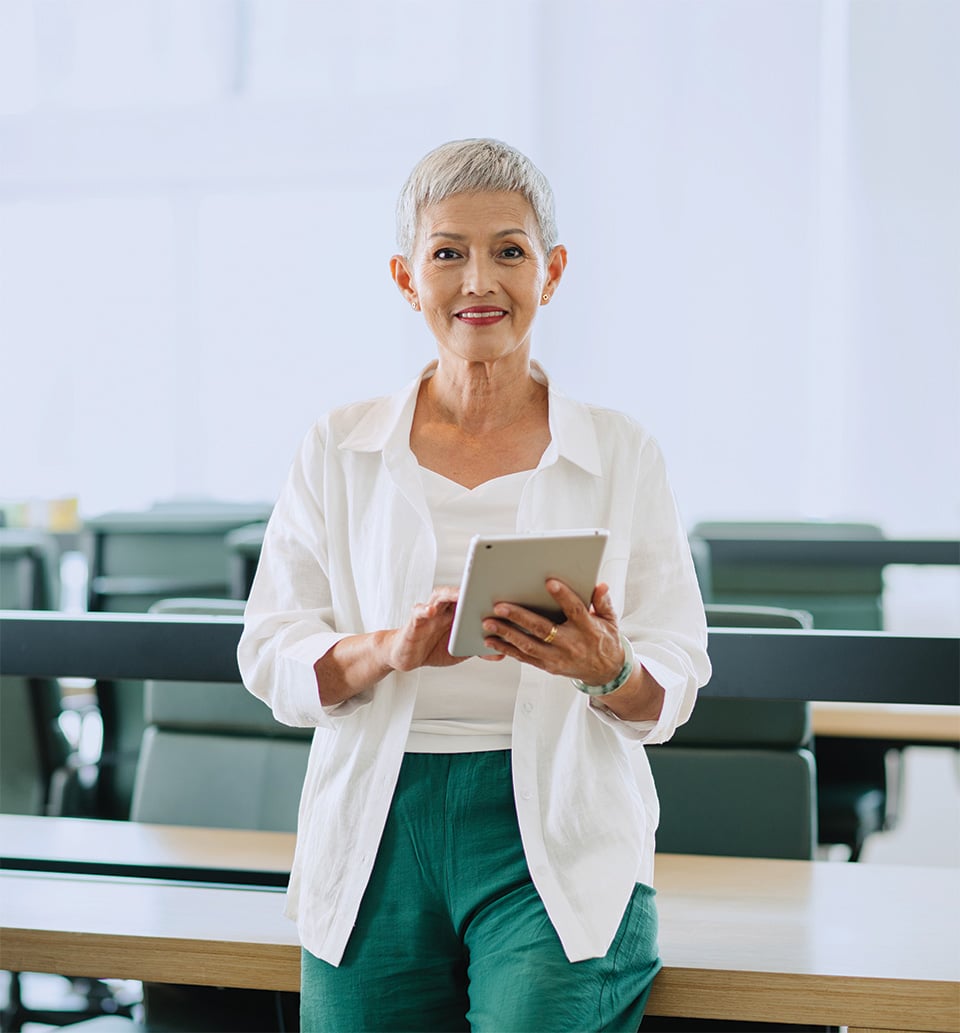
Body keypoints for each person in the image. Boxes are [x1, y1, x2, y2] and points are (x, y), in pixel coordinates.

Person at [238, 137, 711, 1033]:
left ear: (554, 270)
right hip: (378, 826)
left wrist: (607, 667)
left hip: (558, 830)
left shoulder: (619, 451)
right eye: (447, 252)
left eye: (510, 250)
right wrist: (387, 650)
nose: (478, 281)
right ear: (406, 277)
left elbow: (674, 675)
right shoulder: (339, 447)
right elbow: (269, 652)